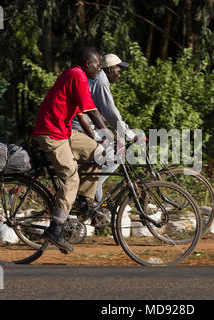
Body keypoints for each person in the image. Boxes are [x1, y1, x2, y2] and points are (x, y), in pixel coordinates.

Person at [31, 47, 114, 252]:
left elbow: (82, 115)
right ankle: (55, 228)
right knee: (71, 178)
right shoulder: (77, 76)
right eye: (97, 64)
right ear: (88, 64)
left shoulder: (75, 77)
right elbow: (93, 112)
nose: (99, 68)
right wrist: (110, 135)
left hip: (63, 132)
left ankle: (83, 199)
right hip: (51, 133)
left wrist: (97, 139)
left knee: (98, 152)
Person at [71, 53, 143, 202]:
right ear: (110, 69)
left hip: (87, 126)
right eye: (118, 70)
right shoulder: (101, 81)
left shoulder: (99, 80)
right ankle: (90, 197)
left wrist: (116, 133)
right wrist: (129, 135)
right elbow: (111, 113)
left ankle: (91, 197)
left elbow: (103, 114)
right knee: (112, 157)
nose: (120, 74)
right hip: (80, 128)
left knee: (110, 151)